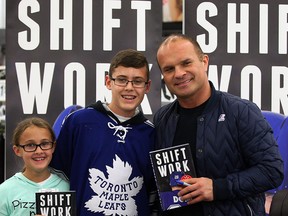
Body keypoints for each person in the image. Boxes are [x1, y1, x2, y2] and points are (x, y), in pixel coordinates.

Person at [154, 34, 284, 215]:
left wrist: (217, 188)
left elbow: (272, 172)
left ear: (204, 62)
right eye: (169, 69)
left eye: (186, 63)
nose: (179, 73)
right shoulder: (162, 118)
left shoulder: (241, 112)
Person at [50, 49, 157, 216]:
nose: (129, 88)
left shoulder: (152, 134)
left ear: (147, 86)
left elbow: (154, 194)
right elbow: (56, 177)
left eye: (137, 81)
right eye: (121, 80)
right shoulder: (79, 121)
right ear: (108, 81)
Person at [0, 117, 69, 216]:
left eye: (45, 144)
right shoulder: (4, 191)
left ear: (53, 147)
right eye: (30, 145)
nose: (39, 151)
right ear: (17, 150)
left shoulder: (67, 187)